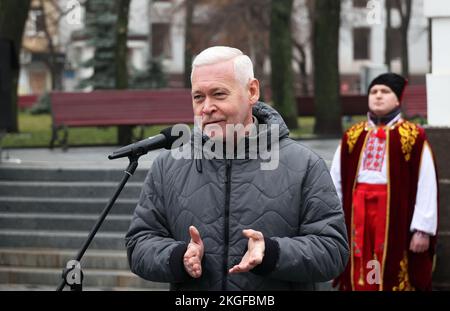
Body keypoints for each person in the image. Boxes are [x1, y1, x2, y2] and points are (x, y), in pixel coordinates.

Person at [125, 46, 349, 290]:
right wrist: (178, 257)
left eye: (219, 94)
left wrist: (273, 253)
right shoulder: (167, 167)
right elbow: (139, 244)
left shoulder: (304, 164)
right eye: (198, 97)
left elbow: (333, 251)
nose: (206, 107)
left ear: (252, 91)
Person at [330, 73, 439, 291]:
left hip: (395, 213)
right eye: (374, 92)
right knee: (360, 261)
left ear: (398, 99)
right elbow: (336, 179)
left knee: (391, 263)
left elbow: (427, 183)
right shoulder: (352, 135)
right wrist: (333, 218)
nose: (378, 96)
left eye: (385, 92)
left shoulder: (413, 136)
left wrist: (422, 229)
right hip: (357, 212)